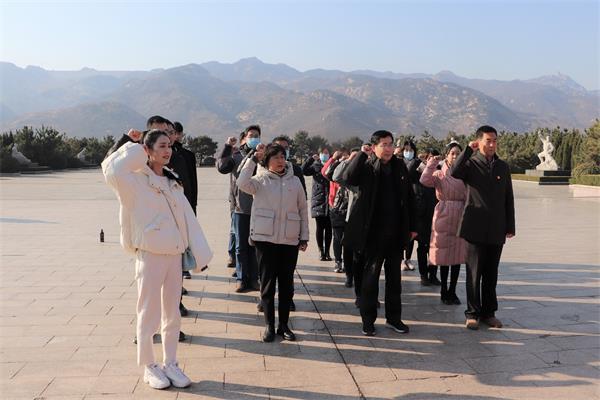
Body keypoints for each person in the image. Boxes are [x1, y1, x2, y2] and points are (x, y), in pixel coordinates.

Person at [102, 129, 212, 390]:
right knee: (148, 312)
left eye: (169, 146)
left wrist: (199, 252)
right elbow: (111, 170)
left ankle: (170, 362)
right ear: (147, 150)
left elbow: (188, 221)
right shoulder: (135, 182)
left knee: (172, 313)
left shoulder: (172, 181)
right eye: (161, 146)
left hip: (173, 255)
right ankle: (149, 365)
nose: (167, 150)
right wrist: (132, 145)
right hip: (149, 254)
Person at [342, 131, 417, 336]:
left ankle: (394, 319)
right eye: (383, 144)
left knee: (395, 280)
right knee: (370, 280)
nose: (388, 148)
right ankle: (368, 320)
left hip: (395, 233)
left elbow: (410, 197)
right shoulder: (366, 166)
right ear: (374, 147)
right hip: (372, 235)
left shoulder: (399, 166)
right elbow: (346, 178)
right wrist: (360, 155)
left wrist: (413, 227)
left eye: (391, 144)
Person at [237, 143, 309, 342]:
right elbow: (241, 183)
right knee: (267, 285)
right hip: (265, 240)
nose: (280, 161)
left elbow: (303, 209)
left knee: (286, 285)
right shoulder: (259, 181)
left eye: (282, 157)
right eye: (276, 157)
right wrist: (252, 159)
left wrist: (304, 236)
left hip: (289, 239)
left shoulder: (295, 182)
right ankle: (269, 325)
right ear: (267, 160)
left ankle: (283, 325)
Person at [451, 125, 515, 330]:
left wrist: (510, 225)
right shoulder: (470, 164)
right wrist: (468, 150)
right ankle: (472, 313)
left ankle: (489, 313)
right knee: (473, 272)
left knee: (491, 273)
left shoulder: (502, 167)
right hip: (474, 226)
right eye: (488, 140)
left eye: (495, 140)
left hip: (496, 227)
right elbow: (454, 172)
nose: (492, 144)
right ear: (479, 142)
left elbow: (508, 197)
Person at [420, 142, 467, 305]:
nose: (455, 156)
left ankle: (453, 290)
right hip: (444, 213)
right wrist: (432, 163)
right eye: (452, 153)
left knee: (457, 256)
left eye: (458, 153)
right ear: (447, 155)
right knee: (445, 256)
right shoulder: (439, 173)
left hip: (461, 214)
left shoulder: (465, 172)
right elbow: (424, 180)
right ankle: (444, 290)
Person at [216, 125, 262, 293]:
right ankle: (242, 279)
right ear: (244, 138)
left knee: (256, 245)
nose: (254, 138)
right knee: (241, 246)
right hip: (241, 208)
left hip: (259, 208)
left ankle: (255, 279)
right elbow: (221, 167)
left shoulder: (263, 156)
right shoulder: (235, 156)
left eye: (257, 135)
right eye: (251, 135)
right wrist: (227, 147)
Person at [414, 148, 441, 287]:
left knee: (434, 248)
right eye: (430, 157)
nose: (433, 160)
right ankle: (423, 274)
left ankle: (433, 275)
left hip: (436, 216)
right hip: (422, 217)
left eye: (435, 158)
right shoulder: (417, 170)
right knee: (422, 247)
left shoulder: (439, 173)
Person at [321, 149, 350, 275]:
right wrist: (333, 159)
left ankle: (349, 263)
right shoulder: (336, 168)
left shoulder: (353, 168)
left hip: (351, 208)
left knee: (349, 238)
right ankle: (338, 261)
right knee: (337, 237)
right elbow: (324, 172)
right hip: (337, 208)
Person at [302, 147, 332, 261]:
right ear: (319, 154)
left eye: (326, 153)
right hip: (318, 200)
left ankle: (328, 252)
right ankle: (321, 251)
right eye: (322, 153)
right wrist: (310, 159)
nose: (324, 155)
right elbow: (303, 170)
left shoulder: (332, 165)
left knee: (329, 228)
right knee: (320, 227)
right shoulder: (315, 166)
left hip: (330, 200)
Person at [400, 140, 418, 271]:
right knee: (401, 232)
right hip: (401, 201)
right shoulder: (398, 163)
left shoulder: (418, 164)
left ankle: (408, 258)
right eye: (406, 150)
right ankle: (400, 259)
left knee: (411, 232)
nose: (408, 153)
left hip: (414, 200)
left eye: (411, 150)